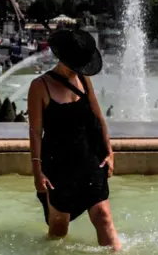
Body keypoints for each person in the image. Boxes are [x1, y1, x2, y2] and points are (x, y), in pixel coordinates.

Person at [28, 29, 121, 250]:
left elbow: (98, 117)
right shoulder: (40, 86)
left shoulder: (83, 79)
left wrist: (110, 152)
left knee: (104, 217)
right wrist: (37, 171)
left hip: (89, 159)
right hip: (58, 166)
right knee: (59, 229)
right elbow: (35, 132)